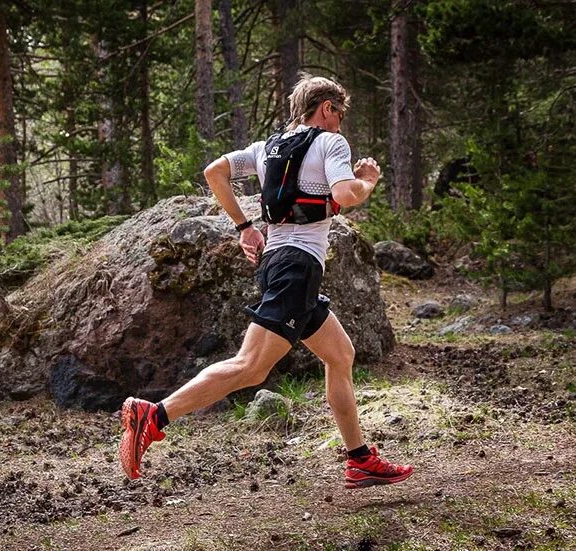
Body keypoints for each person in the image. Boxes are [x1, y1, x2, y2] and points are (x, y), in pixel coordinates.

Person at [119, 75, 414, 489]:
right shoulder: (331, 143)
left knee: (340, 354)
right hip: (298, 268)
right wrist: (367, 179)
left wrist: (244, 226)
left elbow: (214, 171)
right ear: (327, 108)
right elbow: (346, 195)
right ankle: (154, 414)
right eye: (340, 114)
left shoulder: (265, 149)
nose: (340, 124)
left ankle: (360, 459)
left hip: (280, 262)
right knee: (251, 367)